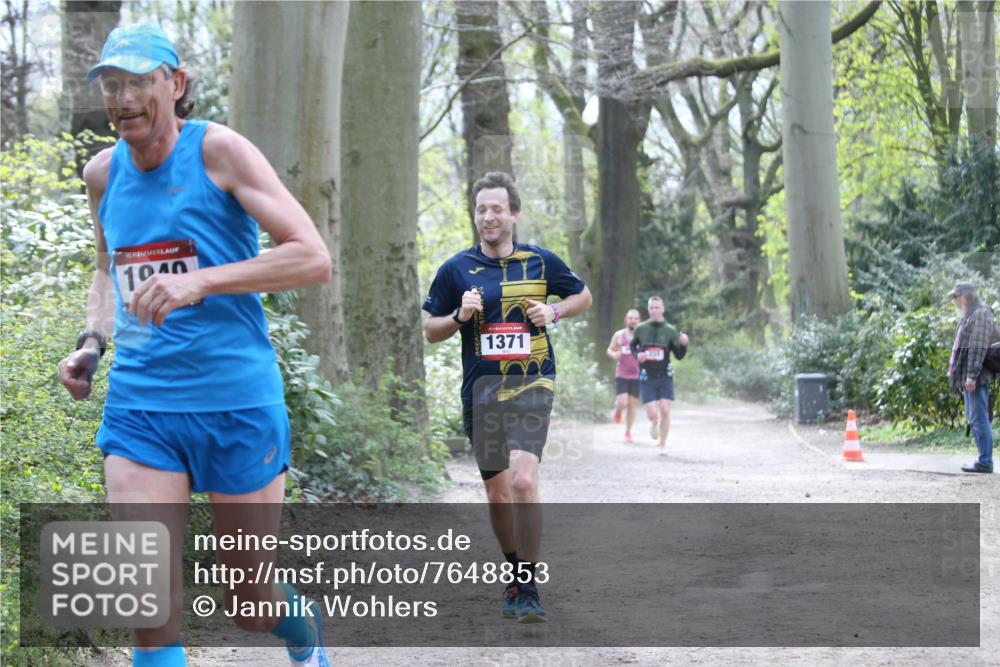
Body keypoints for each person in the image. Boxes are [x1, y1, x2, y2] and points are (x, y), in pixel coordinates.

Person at [56, 25, 333, 667]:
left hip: (235, 400)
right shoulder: (102, 174)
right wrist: (93, 342)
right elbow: (106, 268)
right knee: (146, 606)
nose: (123, 98)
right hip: (142, 407)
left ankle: (304, 632)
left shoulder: (220, 153)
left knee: (250, 601)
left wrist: (200, 281)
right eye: (111, 85)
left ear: (174, 85)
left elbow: (313, 257)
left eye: (137, 82)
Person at [422, 171, 592, 623]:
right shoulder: (456, 269)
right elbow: (430, 331)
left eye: (497, 208)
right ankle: (515, 573)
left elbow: (583, 296)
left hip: (533, 381)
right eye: (481, 209)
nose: (489, 216)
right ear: (475, 216)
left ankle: (531, 586)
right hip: (482, 391)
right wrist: (460, 314)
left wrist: (553, 310)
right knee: (498, 496)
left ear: (514, 214)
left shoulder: (540, 262)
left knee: (522, 481)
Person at [947, 282, 997, 473]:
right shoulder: (969, 315)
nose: (954, 300)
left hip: (976, 377)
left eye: (956, 296)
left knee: (979, 418)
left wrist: (970, 376)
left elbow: (977, 348)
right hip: (970, 377)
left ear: (967, 296)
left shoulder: (981, 314)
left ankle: (985, 462)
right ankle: (983, 460)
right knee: (974, 418)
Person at [631, 296, 689, 449]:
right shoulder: (640, 329)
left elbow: (679, 355)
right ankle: (654, 422)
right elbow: (632, 347)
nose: (654, 310)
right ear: (648, 309)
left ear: (663, 309)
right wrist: (638, 355)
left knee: (665, 409)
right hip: (646, 376)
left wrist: (684, 345)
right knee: (652, 413)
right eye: (651, 308)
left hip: (665, 375)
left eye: (657, 307)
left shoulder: (670, 330)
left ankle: (662, 442)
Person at [606, 308, 641, 442]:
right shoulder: (619, 335)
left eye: (636, 318)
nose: (633, 320)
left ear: (639, 321)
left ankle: (628, 432)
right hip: (622, 373)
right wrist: (614, 354)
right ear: (626, 320)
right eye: (630, 318)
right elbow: (609, 349)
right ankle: (619, 410)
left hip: (637, 374)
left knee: (632, 405)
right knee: (623, 402)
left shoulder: (642, 336)